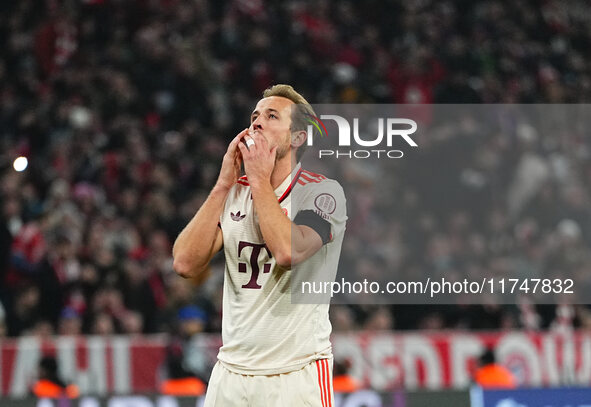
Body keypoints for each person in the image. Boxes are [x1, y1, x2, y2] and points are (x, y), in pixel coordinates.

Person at [173, 84, 347, 406]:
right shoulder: (235, 191)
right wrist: (224, 184)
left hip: (295, 374)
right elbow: (184, 263)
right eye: (254, 116)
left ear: (297, 138)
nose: (256, 123)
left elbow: (286, 251)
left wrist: (256, 179)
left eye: (271, 116)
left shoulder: (323, 193)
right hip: (231, 373)